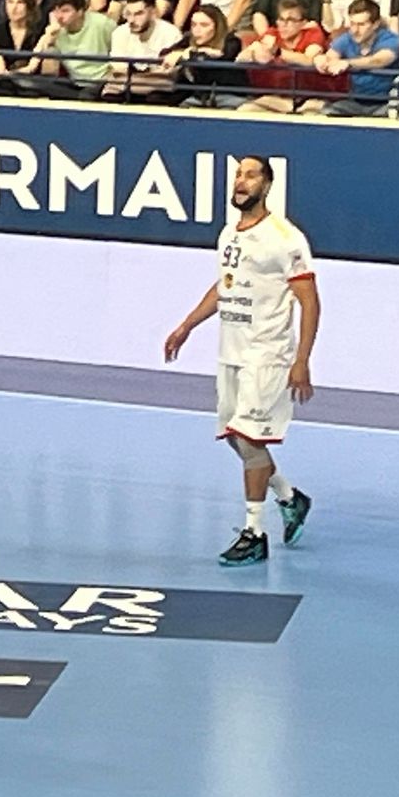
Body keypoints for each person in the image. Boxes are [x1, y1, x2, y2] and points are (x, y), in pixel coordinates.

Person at [163, 156, 318, 566]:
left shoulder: (285, 238)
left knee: (249, 440)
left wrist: (301, 360)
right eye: (238, 174)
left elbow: (309, 301)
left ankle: (255, 533)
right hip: (231, 351)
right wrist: (187, 325)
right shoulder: (229, 233)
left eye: (251, 175)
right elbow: (225, 286)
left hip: (267, 354)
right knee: (237, 437)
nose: (241, 181)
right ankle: (289, 496)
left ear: (267, 185)